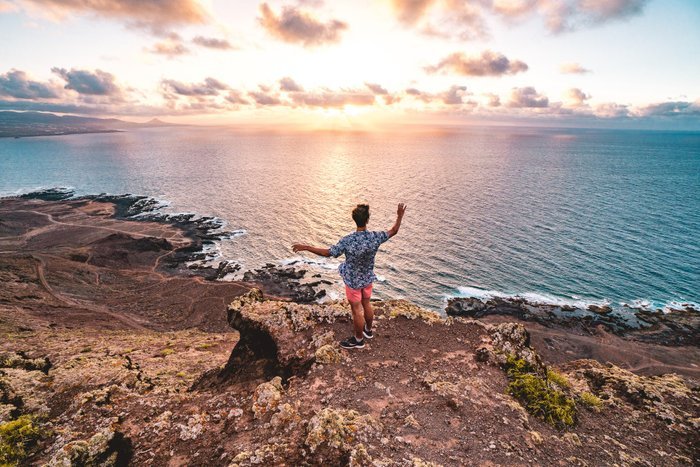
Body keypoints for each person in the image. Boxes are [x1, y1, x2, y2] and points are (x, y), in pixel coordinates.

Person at [292, 203, 406, 349]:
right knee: (367, 304)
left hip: (353, 281)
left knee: (357, 310)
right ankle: (368, 331)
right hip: (367, 278)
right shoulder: (375, 237)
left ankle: (358, 341)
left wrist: (307, 247)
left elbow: (328, 253)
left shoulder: (348, 240)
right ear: (367, 219)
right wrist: (399, 215)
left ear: (354, 219)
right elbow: (394, 230)